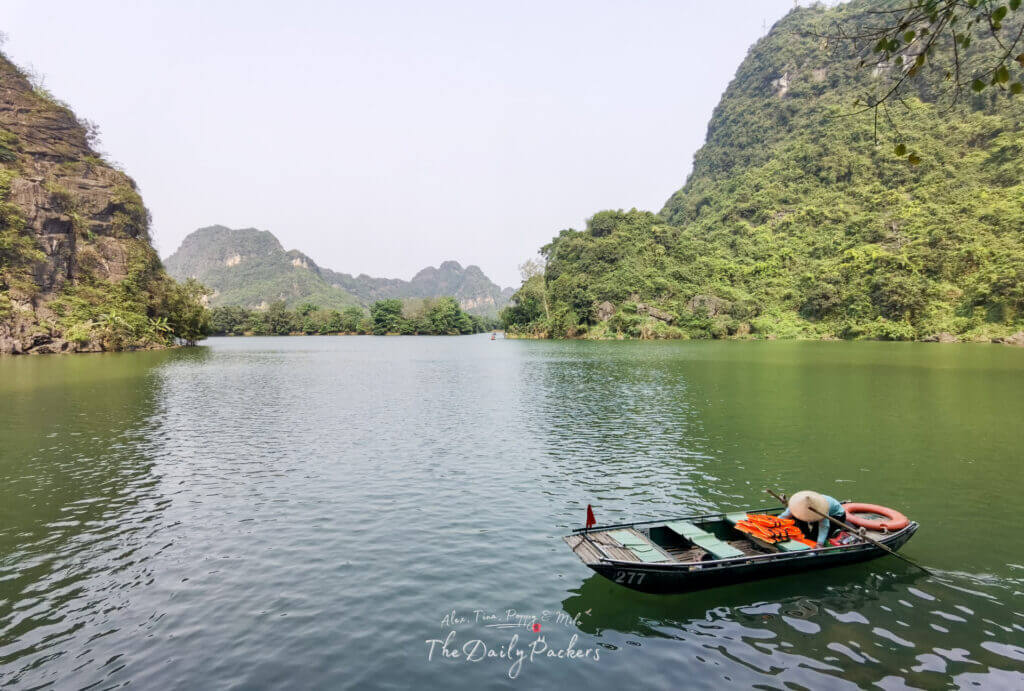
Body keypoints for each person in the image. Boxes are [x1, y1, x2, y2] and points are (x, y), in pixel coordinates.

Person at [779, 490, 845, 548]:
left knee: (814, 539)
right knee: (796, 517)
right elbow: (784, 516)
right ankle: (805, 535)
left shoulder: (822, 508)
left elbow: (824, 526)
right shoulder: (796, 504)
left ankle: (812, 541)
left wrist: (819, 543)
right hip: (815, 514)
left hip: (835, 516)